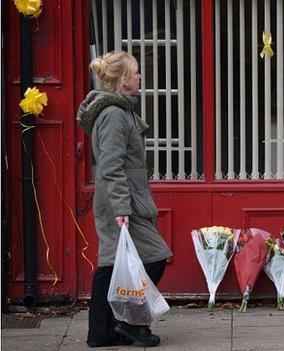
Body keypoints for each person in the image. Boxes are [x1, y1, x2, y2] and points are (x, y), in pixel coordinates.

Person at [76, 51, 173, 348]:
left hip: (124, 200)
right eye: (135, 73)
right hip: (121, 202)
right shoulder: (114, 115)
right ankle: (127, 322)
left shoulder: (120, 110)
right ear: (122, 81)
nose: (140, 76)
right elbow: (111, 165)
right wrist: (121, 207)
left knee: (110, 263)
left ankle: (102, 331)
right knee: (154, 257)